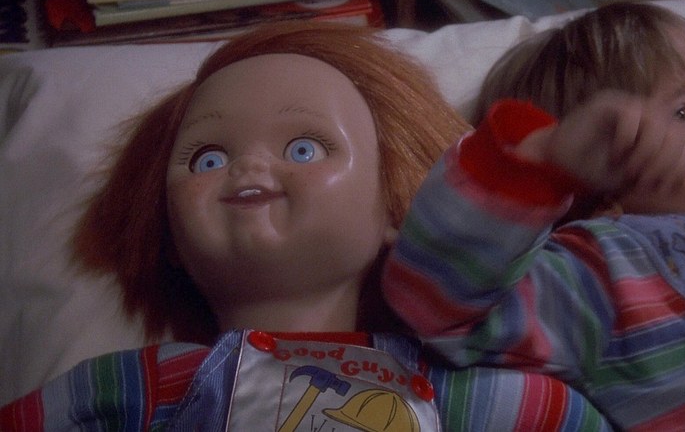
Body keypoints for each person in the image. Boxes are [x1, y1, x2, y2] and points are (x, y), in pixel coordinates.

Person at [0, 21, 612, 431]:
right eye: (206, 159)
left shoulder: (449, 390)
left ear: (396, 207)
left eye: (304, 148)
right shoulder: (140, 384)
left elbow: (559, 413)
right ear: (169, 239)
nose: (247, 166)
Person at [382, 3, 685, 431]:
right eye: (681, 112)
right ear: (599, 188)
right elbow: (438, 301)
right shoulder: (604, 264)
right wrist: (544, 158)